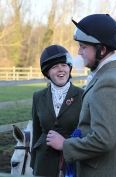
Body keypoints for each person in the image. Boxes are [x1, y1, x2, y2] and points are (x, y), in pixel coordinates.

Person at [46, 14, 116, 177]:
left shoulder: (109, 82)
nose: (79, 52)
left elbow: (102, 139)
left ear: (102, 49)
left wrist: (65, 145)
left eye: (83, 47)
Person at [30, 44, 83, 177]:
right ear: (47, 72)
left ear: (69, 68)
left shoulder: (83, 95)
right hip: (44, 163)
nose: (61, 70)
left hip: (73, 162)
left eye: (64, 65)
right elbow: (36, 132)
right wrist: (34, 163)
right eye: (55, 67)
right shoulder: (38, 97)